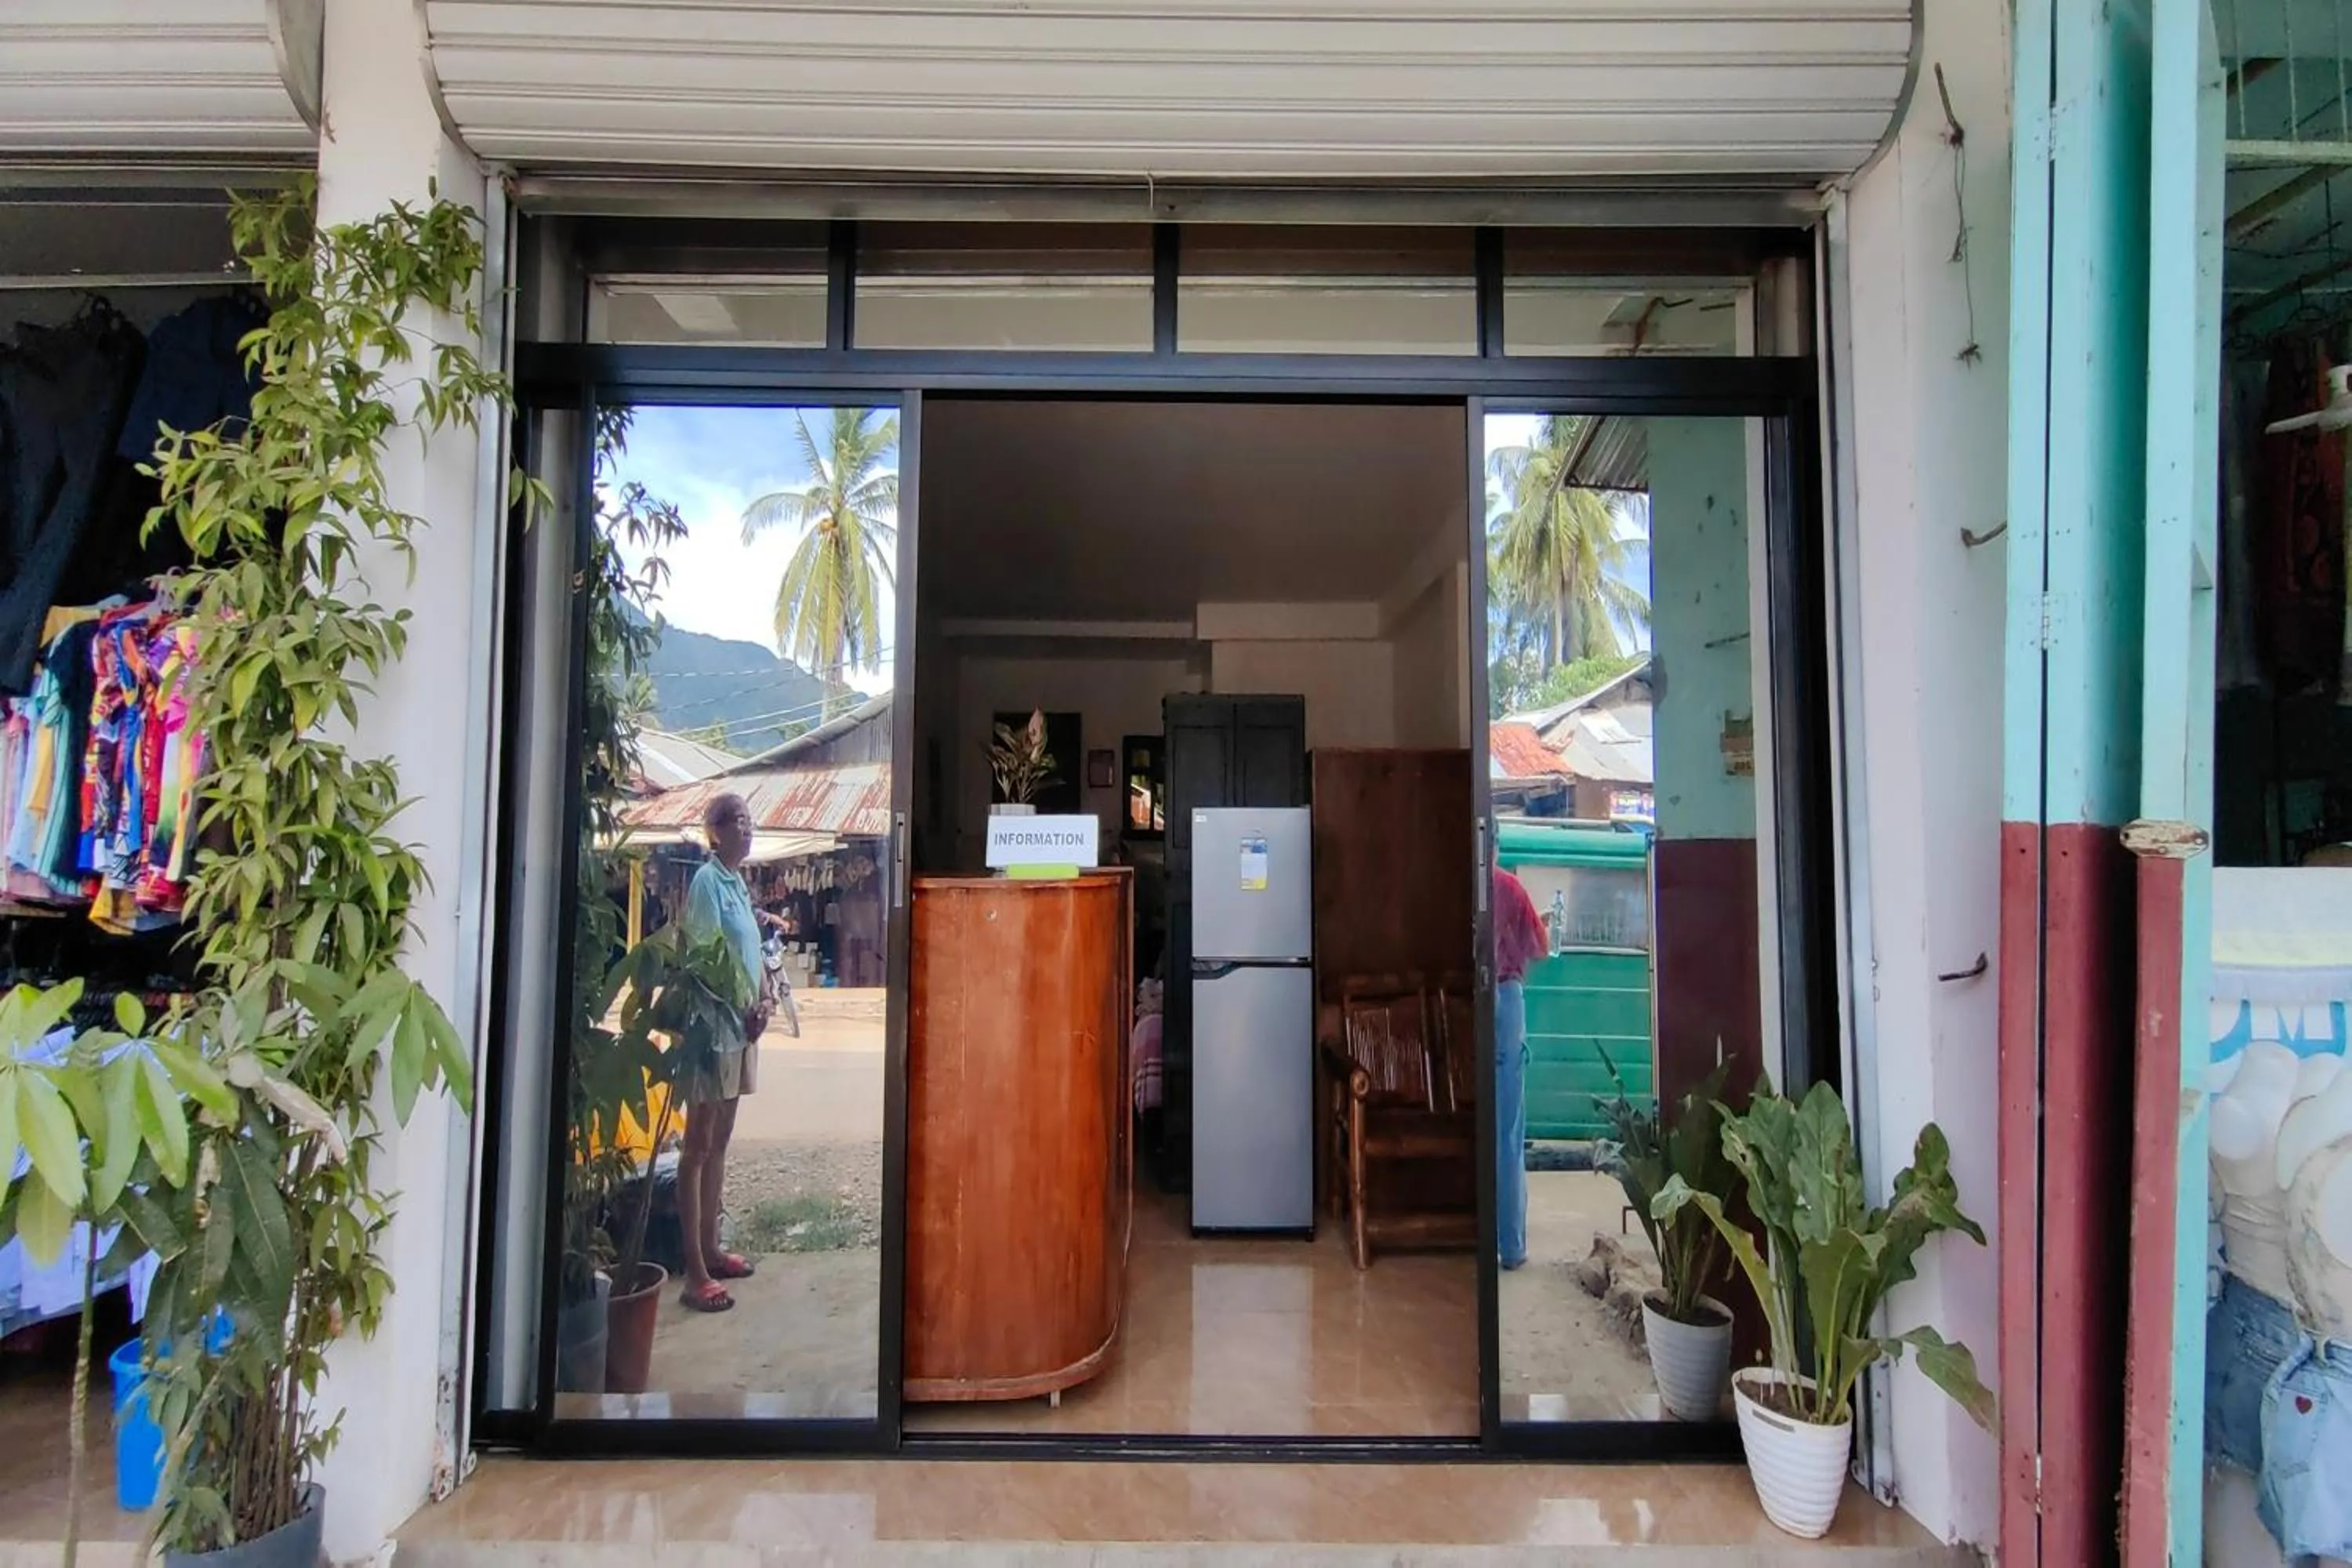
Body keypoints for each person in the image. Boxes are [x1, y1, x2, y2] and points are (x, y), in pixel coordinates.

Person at [676, 792, 768, 1313]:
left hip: (743, 1032)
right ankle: (694, 1273)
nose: (747, 830)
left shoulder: (737, 884)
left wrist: (765, 1000)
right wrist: (742, 1006)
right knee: (697, 1147)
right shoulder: (707, 883)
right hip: (712, 1034)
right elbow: (706, 960)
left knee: (722, 1142)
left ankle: (712, 1249)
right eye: (737, 822)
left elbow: (749, 954)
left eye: (750, 822)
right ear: (714, 833)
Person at [1492, 865, 1548, 1272]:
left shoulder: (1463, 884)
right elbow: (1539, 947)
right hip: (1507, 1000)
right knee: (1507, 1131)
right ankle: (1511, 1247)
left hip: (1472, 999)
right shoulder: (1510, 887)